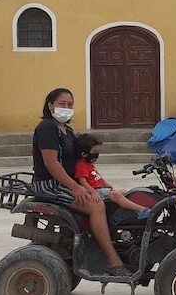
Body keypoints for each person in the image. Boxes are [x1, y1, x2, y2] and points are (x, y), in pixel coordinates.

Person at [30, 88, 130, 277]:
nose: (66, 108)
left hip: (68, 182)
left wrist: (93, 183)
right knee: (96, 206)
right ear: (50, 106)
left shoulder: (67, 130)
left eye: (70, 105)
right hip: (50, 184)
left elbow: (80, 160)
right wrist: (76, 188)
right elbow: (51, 164)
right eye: (62, 104)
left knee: (113, 197)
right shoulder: (47, 128)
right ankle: (112, 260)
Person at [73, 134, 151, 220]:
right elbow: (82, 181)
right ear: (84, 154)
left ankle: (128, 212)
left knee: (124, 192)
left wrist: (106, 183)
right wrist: (92, 192)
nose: (97, 154)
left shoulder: (89, 163)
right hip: (95, 191)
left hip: (100, 189)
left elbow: (97, 175)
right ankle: (141, 210)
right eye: (94, 152)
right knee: (116, 195)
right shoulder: (81, 165)